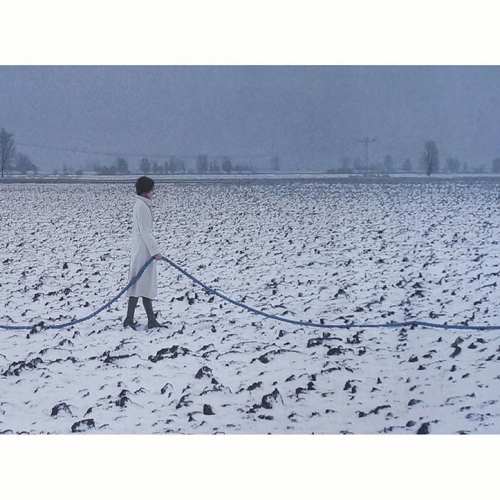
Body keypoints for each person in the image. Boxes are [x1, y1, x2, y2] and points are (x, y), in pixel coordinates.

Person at [123, 176, 166, 329]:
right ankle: (132, 319)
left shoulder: (141, 205)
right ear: (146, 191)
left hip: (142, 248)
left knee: (142, 285)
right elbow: (146, 232)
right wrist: (156, 252)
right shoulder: (142, 207)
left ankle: (148, 319)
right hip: (143, 250)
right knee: (139, 284)